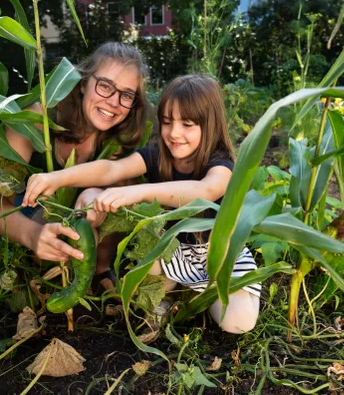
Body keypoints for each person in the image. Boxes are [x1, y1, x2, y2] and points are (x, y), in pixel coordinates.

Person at [22, 74, 260, 333]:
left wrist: (139, 192)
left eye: (187, 124)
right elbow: (110, 170)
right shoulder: (158, 155)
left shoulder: (221, 163)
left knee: (238, 323)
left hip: (221, 255)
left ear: (210, 125)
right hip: (173, 251)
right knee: (146, 285)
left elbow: (204, 191)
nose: (174, 133)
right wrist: (56, 178)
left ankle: (198, 290)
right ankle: (175, 292)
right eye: (167, 122)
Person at [0, 42, 148, 291]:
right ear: (82, 84)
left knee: (127, 185)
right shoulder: (35, 121)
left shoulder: (120, 137)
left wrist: (98, 197)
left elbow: (116, 183)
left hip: (77, 222)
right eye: (105, 86)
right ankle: (31, 276)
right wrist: (32, 235)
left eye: (126, 95)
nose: (114, 102)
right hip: (19, 225)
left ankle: (102, 271)